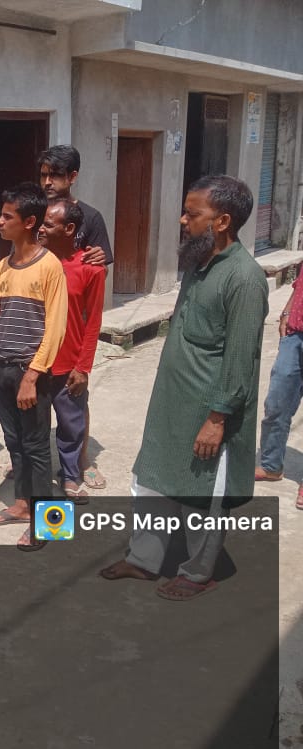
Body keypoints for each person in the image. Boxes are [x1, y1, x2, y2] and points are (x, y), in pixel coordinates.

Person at [101, 175, 268, 601]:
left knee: (201, 496)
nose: (183, 220)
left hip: (208, 410)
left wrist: (217, 419)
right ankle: (144, 559)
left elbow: (241, 360)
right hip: (171, 402)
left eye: (193, 214)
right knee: (151, 480)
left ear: (222, 221)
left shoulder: (245, 279)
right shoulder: (198, 263)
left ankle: (197, 572)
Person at [0, 183, 67, 551]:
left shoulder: (50, 267)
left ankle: (50, 526)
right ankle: (21, 505)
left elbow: (56, 327)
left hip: (30, 373)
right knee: (15, 443)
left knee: (37, 447)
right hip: (2, 367)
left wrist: (33, 376)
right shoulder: (2, 266)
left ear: (29, 222)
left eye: (7, 216)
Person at [38, 144, 113, 490]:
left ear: (72, 177)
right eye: (44, 175)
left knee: (74, 405)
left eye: (55, 175)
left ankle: (82, 464)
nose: (48, 182)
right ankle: (34, 465)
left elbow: (99, 269)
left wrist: (84, 363)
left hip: (70, 328)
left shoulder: (90, 218)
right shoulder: (34, 211)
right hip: (39, 329)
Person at [256, 266, 303, 509]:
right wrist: (287, 310)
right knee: (277, 400)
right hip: (295, 334)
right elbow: (300, 283)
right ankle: (271, 465)